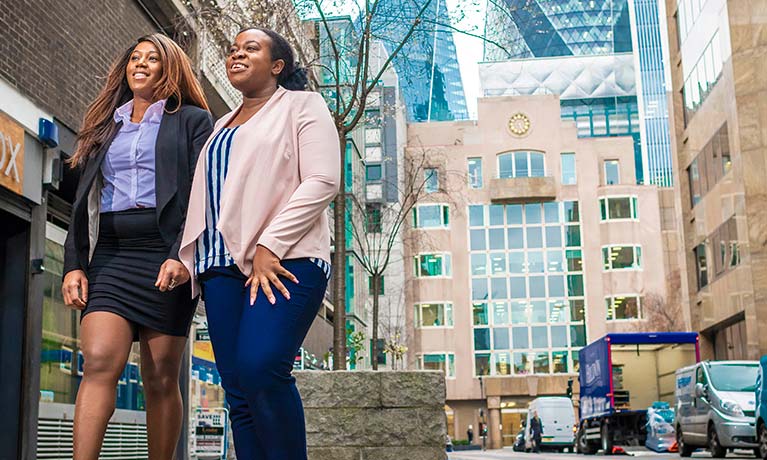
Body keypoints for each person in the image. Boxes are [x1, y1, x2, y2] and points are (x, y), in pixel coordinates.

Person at [178, 27, 339, 460]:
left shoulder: (303, 106)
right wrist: (189, 258)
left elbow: (323, 180)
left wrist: (270, 244)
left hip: (287, 259)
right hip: (220, 267)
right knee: (239, 393)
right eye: (233, 49)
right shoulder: (222, 124)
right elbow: (213, 199)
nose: (237, 54)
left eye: (251, 48)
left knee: (261, 367)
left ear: (277, 65)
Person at [61, 34, 213, 459]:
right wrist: (75, 263)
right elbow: (83, 198)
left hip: (164, 250)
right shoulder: (106, 122)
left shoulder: (193, 120)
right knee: (98, 361)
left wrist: (181, 255)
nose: (140, 64)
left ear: (170, 69)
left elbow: (201, 195)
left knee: (162, 378)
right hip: (111, 251)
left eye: (152, 59)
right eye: (134, 58)